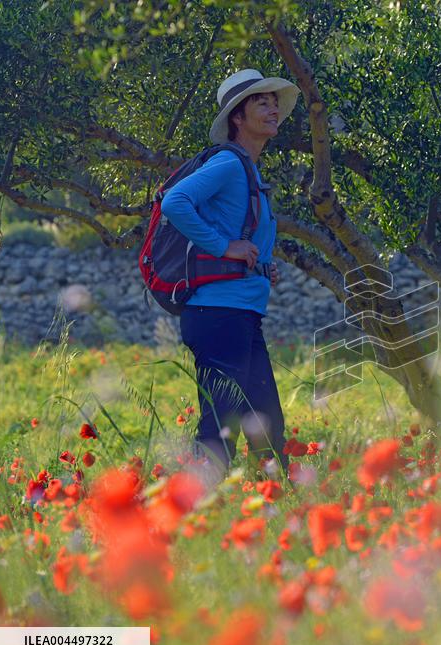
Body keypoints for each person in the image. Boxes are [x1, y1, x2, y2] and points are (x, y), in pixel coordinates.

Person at [160, 69, 301, 480]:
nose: (273, 109)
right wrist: (225, 247)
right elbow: (175, 202)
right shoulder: (228, 163)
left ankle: (276, 508)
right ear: (237, 117)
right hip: (218, 315)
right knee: (220, 430)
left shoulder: (249, 171)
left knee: (266, 426)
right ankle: (192, 511)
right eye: (262, 102)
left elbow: (242, 236)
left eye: (275, 102)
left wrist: (261, 265)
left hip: (239, 315)